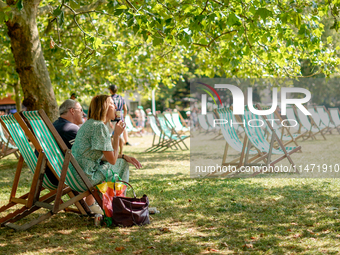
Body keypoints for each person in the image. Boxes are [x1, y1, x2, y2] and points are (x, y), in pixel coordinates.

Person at [71, 95, 142, 189]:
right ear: (104, 107)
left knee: (121, 160)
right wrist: (116, 135)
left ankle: (105, 200)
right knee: (122, 163)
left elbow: (104, 156)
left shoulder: (89, 123)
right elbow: (112, 160)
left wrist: (123, 156)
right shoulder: (99, 127)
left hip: (74, 177)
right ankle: (118, 200)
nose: (116, 107)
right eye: (112, 104)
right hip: (86, 178)